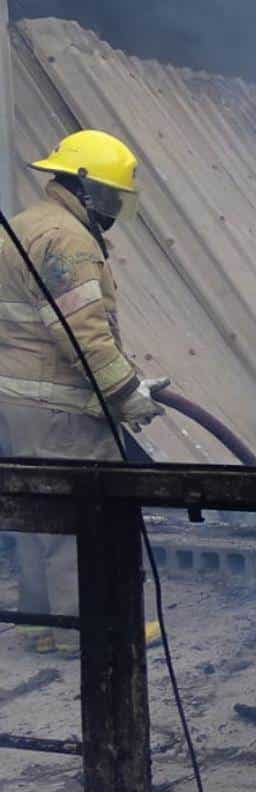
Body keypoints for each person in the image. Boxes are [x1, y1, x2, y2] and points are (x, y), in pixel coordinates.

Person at [0, 130, 166, 654]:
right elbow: (84, 334)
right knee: (86, 518)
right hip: (62, 409)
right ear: (86, 187)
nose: (114, 208)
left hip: (19, 404)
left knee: (37, 514)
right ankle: (91, 631)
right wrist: (127, 394)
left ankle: (39, 623)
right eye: (112, 195)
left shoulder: (24, 224)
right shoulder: (68, 240)